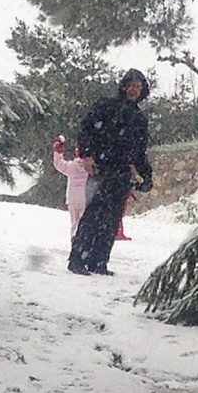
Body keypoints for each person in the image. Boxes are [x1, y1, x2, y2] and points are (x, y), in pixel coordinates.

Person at [67, 68, 152, 276]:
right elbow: (86, 129)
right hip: (101, 168)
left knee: (112, 219)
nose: (134, 90)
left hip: (122, 172)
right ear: (124, 85)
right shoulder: (106, 106)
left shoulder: (139, 119)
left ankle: (99, 261)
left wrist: (146, 175)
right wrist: (87, 155)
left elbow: (140, 151)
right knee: (94, 214)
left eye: (138, 87)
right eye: (131, 85)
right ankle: (77, 259)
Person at [50, 136, 95, 239]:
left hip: (72, 198)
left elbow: (58, 164)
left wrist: (58, 152)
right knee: (83, 220)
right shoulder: (90, 167)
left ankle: (74, 237)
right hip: (85, 197)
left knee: (74, 221)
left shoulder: (71, 166)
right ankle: (83, 238)